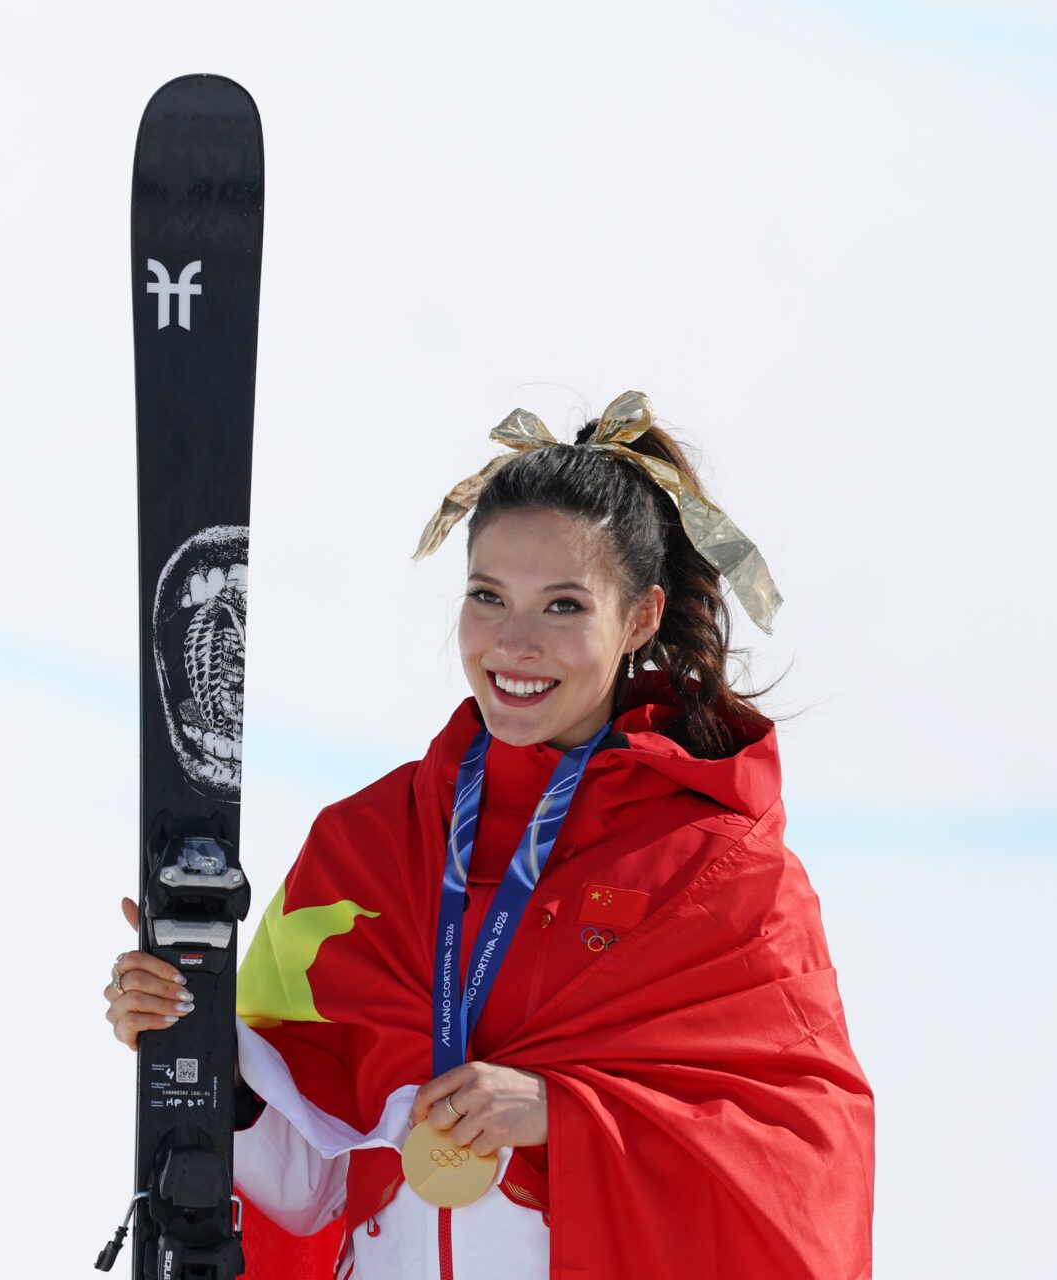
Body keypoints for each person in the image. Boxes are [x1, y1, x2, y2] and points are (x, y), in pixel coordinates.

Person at [104, 391, 875, 1278]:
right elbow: (310, 1187)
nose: (513, 643)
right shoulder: (367, 844)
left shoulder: (723, 872)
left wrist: (565, 1114)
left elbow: (804, 1164)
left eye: (562, 607)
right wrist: (199, 1047)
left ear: (642, 618)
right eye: (487, 596)